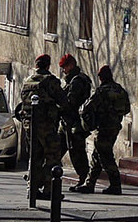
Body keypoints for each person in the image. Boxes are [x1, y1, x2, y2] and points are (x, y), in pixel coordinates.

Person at [71, 64, 131, 195]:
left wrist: (88, 121)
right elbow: (126, 109)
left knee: (105, 156)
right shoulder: (120, 90)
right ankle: (89, 184)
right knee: (97, 156)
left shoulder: (101, 91)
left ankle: (116, 185)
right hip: (115, 127)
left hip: (103, 128)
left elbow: (87, 108)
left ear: (101, 78)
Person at [14, 53, 67, 200]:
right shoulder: (51, 81)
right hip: (47, 125)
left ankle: (32, 189)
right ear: (48, 65)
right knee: (53, 155)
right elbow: (63, 102)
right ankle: (49, 189)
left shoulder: (27, 81)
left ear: (36, 65)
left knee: (34, 156)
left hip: (29, 125)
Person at [57, 54, 93, 187]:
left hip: (74, 124)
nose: (63, 71)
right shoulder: (73, 80)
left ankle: (84, 178)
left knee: (77, 153)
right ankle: (47, 176)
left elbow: (71, 103)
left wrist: (58, 105)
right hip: (67, 123)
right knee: (56, 150)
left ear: (71, 65)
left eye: (64, 67)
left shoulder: (77, 81)